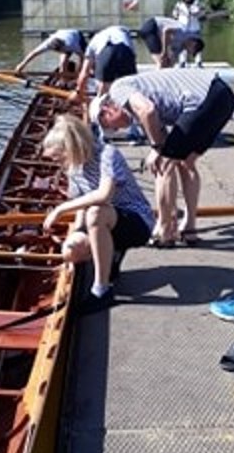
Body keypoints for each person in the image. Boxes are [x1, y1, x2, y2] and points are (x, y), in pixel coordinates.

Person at [89, 67, 234, 246]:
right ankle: (189, 227)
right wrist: (160, 147)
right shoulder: (136, 103)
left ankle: (165, 231)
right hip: (223, 96)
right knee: (186, 162)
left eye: (110, 126)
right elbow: (163, 136)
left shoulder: (118, 90)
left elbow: (148, 110)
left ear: (106, 110)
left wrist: (156, 149)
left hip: (202, 97)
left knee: (163, 165)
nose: (117, 129)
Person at [42, 114, 154, 313]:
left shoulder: (108, 154)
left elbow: (103, 195)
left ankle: (101, 290)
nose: (59, 163)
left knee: (96, 213)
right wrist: (77, 233)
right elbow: (81, 205)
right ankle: (112, 256)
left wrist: (60, 209)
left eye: (60, 157)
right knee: (70, 251)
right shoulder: (73, 167)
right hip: (105, 220)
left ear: (72, 148)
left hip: (137, 222)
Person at [75, 24, 137, 98]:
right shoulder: (124, 34)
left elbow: (85, 72)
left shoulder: (95, 40)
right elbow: (133, 57)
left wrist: (78, 91)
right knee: (130, 89)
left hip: (106, 50)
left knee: (102, 92)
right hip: (126, 51)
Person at [138, 16, 204, 69]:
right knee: (161, 62)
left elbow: (173, 59)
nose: (189, 53)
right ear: (193, 44)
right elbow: (166, 31)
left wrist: (170, 64)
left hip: (157, 34)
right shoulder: (182, 30)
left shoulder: (181, 47)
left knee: (166, 64)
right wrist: (164, 52)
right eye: (191, 51)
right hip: (152, 26)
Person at [14, 29, 87, 75]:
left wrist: (80, 71)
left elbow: (82, 57)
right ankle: (64, 81)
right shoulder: (48, 44)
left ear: (63, 47)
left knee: (86, 59)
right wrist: (21, 65)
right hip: (63, 34)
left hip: (77, 36)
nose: (59, 53)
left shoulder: (71, 45)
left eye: (60, 51)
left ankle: (78, 78)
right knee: (62, 65)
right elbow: (33, 53)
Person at [172, 0, 206, 66]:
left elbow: (202, 13)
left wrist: (197, 13)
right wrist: (176, 14)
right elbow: (174, 14)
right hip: (183, 27)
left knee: (196, 45)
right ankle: (182, 61)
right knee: (183, 44)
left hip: (194, 28)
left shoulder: (197, 3)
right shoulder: (179, 4)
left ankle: (198, 61)